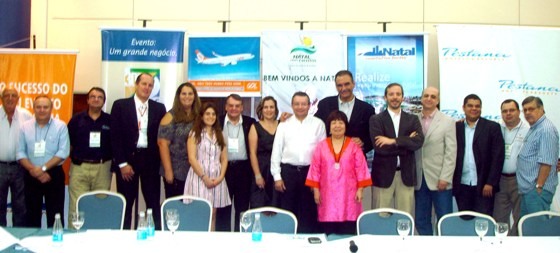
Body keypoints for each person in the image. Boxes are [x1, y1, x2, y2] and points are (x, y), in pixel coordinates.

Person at [110, 73, 166, 230]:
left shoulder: (159, 108)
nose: (147, 88)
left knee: (153, 204)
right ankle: (124, 241)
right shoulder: (120, 105)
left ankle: (155, 239)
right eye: (144, 84)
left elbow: (161, 138)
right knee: (126, 205)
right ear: (136, 84)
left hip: (150, 163)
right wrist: (122, 164)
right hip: (127, 162)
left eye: (150, 85)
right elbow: (115, 137)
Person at [306, 110, 372, 235]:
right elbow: (315, 169)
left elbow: (361, 169)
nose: (337, 126)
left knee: (347, 231)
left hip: (349, 195)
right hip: (326, 196)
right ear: (329, 127)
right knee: (328, 231)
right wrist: (316, 191)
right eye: (334, 123)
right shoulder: (321, 146)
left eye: (340, 122)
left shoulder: (354, 146)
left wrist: (360, 190)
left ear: (346, 126)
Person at [271, 91, 326, 233]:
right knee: (288, 210)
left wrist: (318, 179)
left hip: (310, 172)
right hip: (288, 173)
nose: (300, 107)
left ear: (309, 106)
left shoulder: (318, 124)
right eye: (297, 104)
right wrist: (277, 177)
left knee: (309, 211)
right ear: (292, 105)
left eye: (303, 104)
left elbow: (322, 154)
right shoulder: (283, 125)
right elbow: (276, 151)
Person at [368, 83, 424, 215]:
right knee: (380, 218)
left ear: (403, 97)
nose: (395, 97)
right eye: (391, 94)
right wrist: (406, 142)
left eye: (398, 94)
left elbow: (418, 142)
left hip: (406, 176)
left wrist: (392, 141)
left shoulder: (412, 119)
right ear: (385, 97)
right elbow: (380, 148)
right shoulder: (376, 119)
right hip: (383, 176)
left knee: (405, 218)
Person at [16, 95, 69, 227]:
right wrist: (34, 170)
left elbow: (63, 152)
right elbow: (20, 152)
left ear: (51, 108)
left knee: (55, 214)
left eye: (45, 107)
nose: (42, 110)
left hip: (53, 174)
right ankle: (32, 243)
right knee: (31, 215)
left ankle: (56, 244)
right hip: (31, 173)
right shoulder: (24, 127)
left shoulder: (60, 126)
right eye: (38, 107)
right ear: (33, 108)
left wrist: (43, 169)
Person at [67, 87, 112, 229]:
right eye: (93, 96)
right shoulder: (76, 120)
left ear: (104, 101)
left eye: (100, 97)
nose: (96, 99)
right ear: (87, 100)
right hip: (80, 168)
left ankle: (97, 240)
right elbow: (69, 144)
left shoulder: (110, 121)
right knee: (77, 205)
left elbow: (115, 144)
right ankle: (73, 238)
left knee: (100, 206)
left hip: (102, 168)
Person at [414, 87, 457, 235]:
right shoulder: (413, 120)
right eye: (426, 96)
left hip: (440, 179)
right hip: (419, 179)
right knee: (420, 220)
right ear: (421, 98)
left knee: (444, 220)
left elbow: (451, 152)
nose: (429, 99)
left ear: (438, 100)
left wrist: (445, 177)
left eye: (433, 96)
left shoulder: (448, 121)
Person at [453, 94, 505, 216]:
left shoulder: (492, 127)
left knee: (483, 221)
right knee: (465, 221)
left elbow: (497, 157)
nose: (474, 108)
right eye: (470, 105)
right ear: (463, 108)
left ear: (481, 108)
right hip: (462, 185)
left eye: (477, 106)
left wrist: (490, 183)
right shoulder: (456, 127)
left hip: (484, 187)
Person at [184, 102, 231, 231]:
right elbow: (192, 158)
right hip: (199, 178)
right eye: (207, 114)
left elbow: (224, 158)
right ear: (202, 116)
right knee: (200, 213)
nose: (211, 117)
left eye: (213, 114)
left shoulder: (220, 134)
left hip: (217, 179)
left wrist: (221, 177)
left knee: (213, 214)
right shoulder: (194, 133)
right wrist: (204, 177)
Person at [215, 94, 255, 232]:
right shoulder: (217, 122)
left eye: (237, 106)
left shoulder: (250, 123)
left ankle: (241, 241)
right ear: (226, 107)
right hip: (223, 170)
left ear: (242, 108)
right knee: (223, 208)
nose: (234, 108)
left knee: (242, 208)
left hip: (244, 170)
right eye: (231, 105)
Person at [314, 70, 376, 155]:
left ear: (353, 84)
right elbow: (314, 126)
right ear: (336, 86)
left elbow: (373, 136)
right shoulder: (325, 104)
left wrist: (363, 142)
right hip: (329, 158)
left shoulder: (367, 109)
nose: (343, 88)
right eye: (340, 85)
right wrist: (294, 116)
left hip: (355, 160)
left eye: (347, 84)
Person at [158, 82, 201, 198]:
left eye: (190, 94)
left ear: (195, 96)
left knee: (193, 205)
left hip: (195, 170)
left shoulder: (199, 115)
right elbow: (162, 144)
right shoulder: (170, 116)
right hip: (175, 170)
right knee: (175, 206)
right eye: (184, 94)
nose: (187, 97)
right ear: (178, 96)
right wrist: (168, 170)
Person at [517, 96, 559, 217]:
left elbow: (546, 163)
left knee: (536, 230)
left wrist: (539, 187)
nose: (527, 112)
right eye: (525, 110)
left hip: (537, 191)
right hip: (529, 190)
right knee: (527, 229)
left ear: (541, 109)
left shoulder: (546, 130)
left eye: (531, 109)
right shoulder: (535, 128)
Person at [492, 99, 529, 236]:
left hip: (519, 179)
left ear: (518, 112)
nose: (508, 113)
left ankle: (516, 245)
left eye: (512, 110)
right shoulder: (496, 129)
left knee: (520, 218)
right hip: (500, 180)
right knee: (499, 218)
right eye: (504, 111)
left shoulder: (528, 130)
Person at [0, 87, 32, 227]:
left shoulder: (26, 116)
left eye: (14, 96)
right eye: (7, 95)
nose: (10, 98)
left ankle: (19, 238)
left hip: (20, 167)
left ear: (18, 99)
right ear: (2, 99)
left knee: (20, 206)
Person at [248, 96, 279, 208]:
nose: (269, 110)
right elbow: (252, 153)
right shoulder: (255, 127)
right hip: (261, 170)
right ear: (261, 109)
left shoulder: (282, 125)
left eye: (271, 107)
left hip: (277, 171)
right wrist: (257, 175)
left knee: (277, 206)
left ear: (275, 109)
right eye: (266, 107)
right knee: (259, 205)